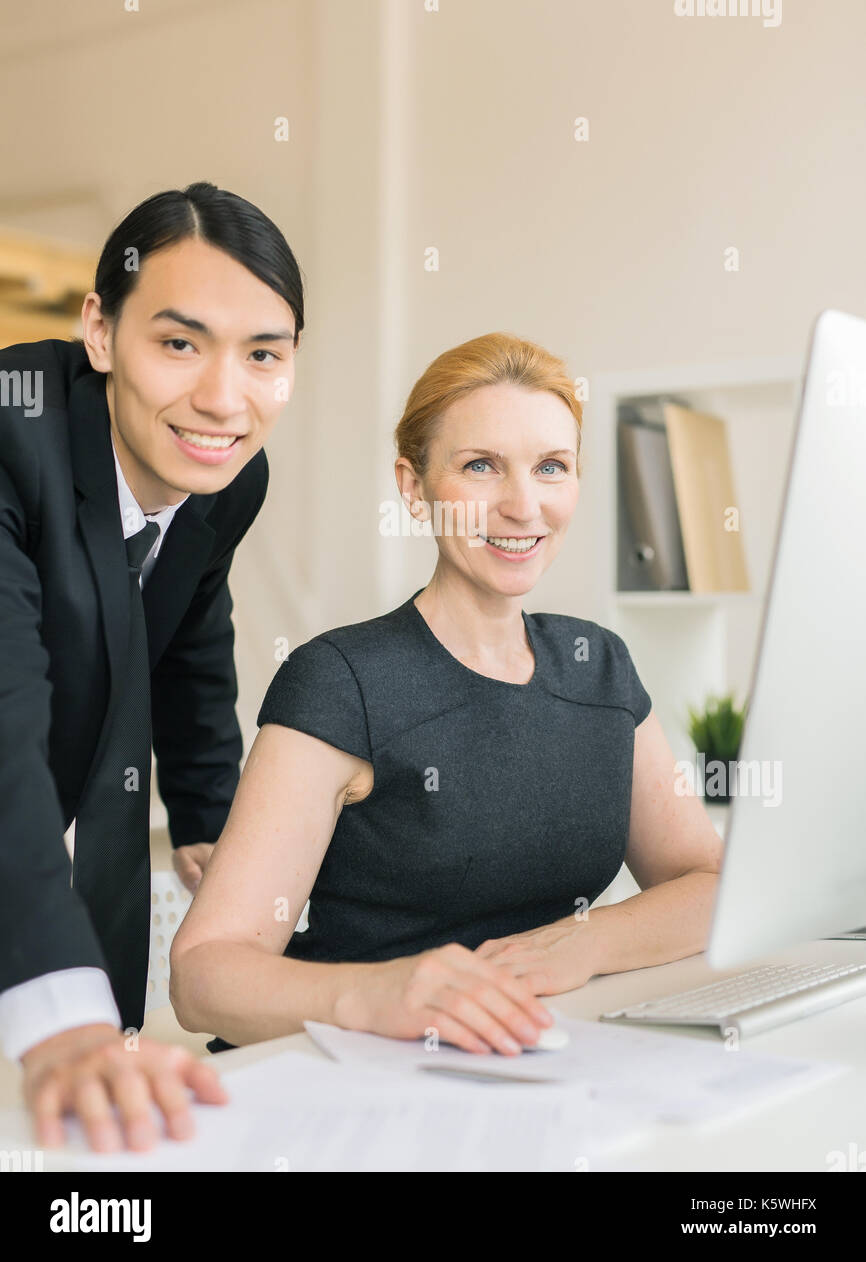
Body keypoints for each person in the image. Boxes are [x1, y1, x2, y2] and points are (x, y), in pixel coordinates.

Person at [170, 333, 723, 1056]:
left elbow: (707, 882)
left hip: (539, 1053)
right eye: (481, 467)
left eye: (551, 467)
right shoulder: (341, 679)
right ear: (413, 486)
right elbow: (202, 977)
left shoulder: (599, 666)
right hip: (355, 1074)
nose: (523, 505)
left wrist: (583, 943)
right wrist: (379, 993)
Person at [0, 181, 304, 1151]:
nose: (223, 397)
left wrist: (215, 825)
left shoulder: (228, 472)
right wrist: (66, 1025)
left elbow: (187, 638)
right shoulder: (11, 437)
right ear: (99, 330)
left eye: (263, 354)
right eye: (179, 343)